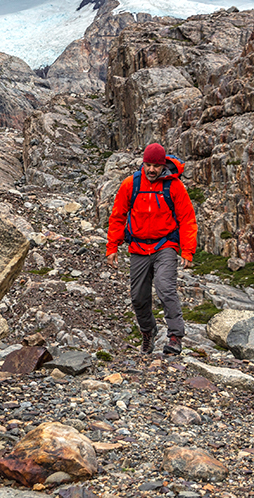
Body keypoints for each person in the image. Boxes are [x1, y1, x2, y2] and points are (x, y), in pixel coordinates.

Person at [106, 142, 197, 356]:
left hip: (165, 244)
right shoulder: (131, 185)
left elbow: (187, 219)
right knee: (138, 296)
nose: (152, 170)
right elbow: (118, 216)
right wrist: (112, 247)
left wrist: (188, 250)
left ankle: (175, 337)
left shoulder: (174, 187)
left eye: (156, 165)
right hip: (138, 247)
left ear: (163, 165)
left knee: (165, 287)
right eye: (148, 165)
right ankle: (148, 332)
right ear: (143, 163)